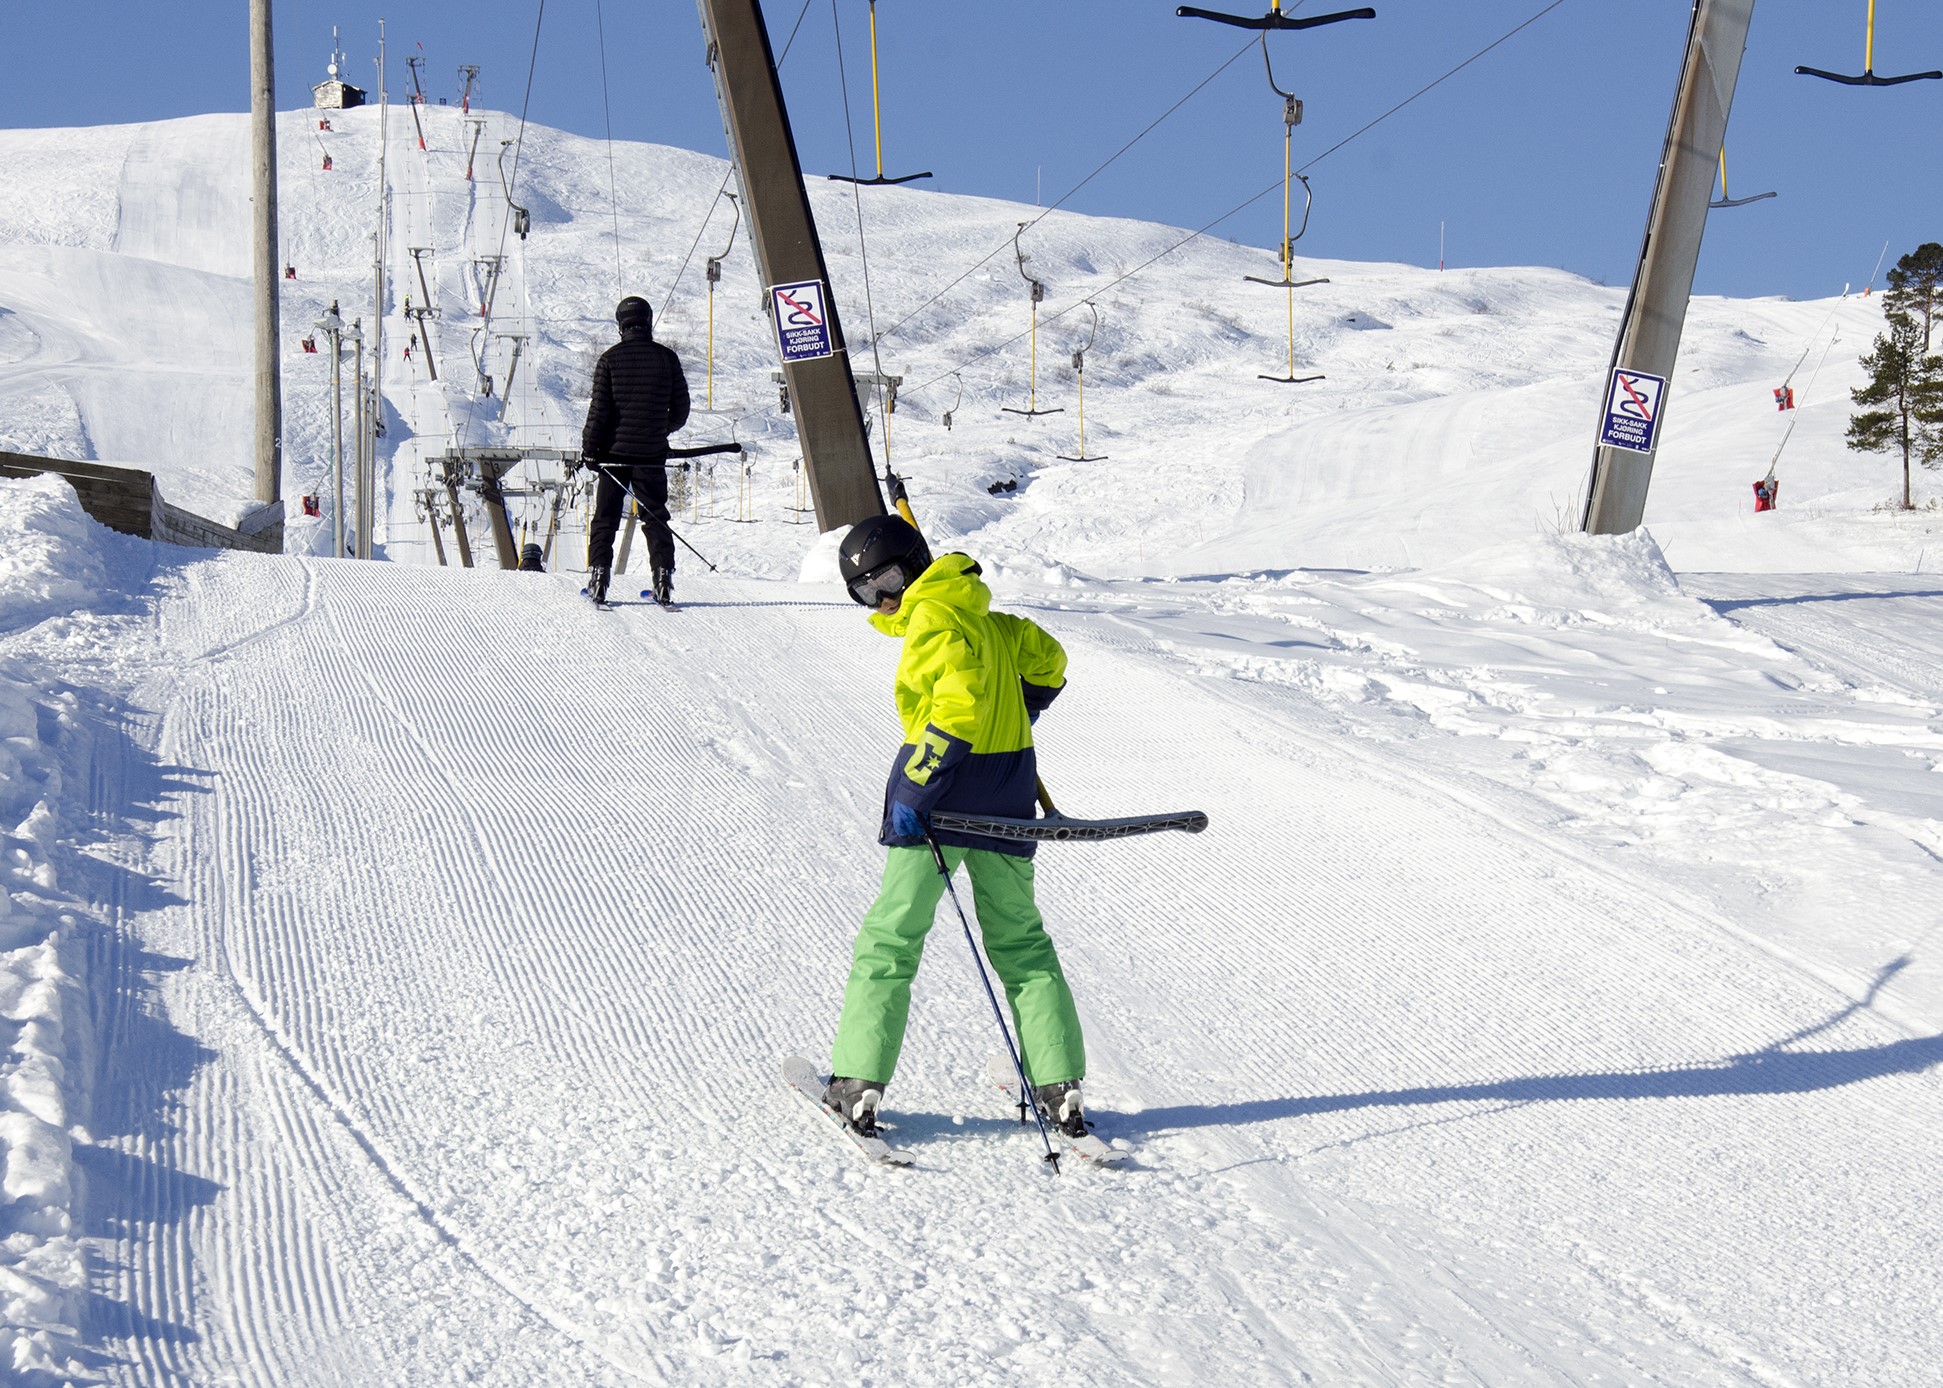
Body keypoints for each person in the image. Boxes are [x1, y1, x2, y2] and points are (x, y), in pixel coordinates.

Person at [822, 513, 1090, 1141]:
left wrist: (917, 787)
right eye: (865, 592)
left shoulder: (931, 620)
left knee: (891, 942)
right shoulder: (990, 621)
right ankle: (1059, 1083)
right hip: (1009, 804)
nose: (885, 600)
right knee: (1022, 944)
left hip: (941, 807)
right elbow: (1050, 659)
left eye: (887, 580)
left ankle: (858, 1082)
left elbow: (957, 705)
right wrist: (1023, 700)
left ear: (914, 562)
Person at [576, 296, 690, 604]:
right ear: (648, 321)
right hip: (651, 455)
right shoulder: (668, 359)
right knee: (655, 518)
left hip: (614, 456)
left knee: (606, 518)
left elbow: (599, 411)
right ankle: (663, 579)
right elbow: (681, 411)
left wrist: (590, 449)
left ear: (620, 325)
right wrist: (659, 429)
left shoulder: (609, 359)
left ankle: (599, 577)